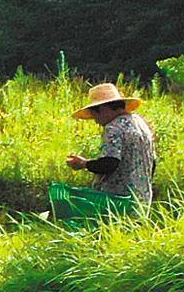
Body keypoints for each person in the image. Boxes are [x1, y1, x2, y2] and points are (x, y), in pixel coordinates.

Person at [65, 82, 157, 210]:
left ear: (103, 109)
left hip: (117, 202)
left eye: (95, 115)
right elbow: (152, 162)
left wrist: (83, 164)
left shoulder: (113, 128)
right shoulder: (140, 123)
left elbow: (109, 164)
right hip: (142, 200)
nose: (96, 121)